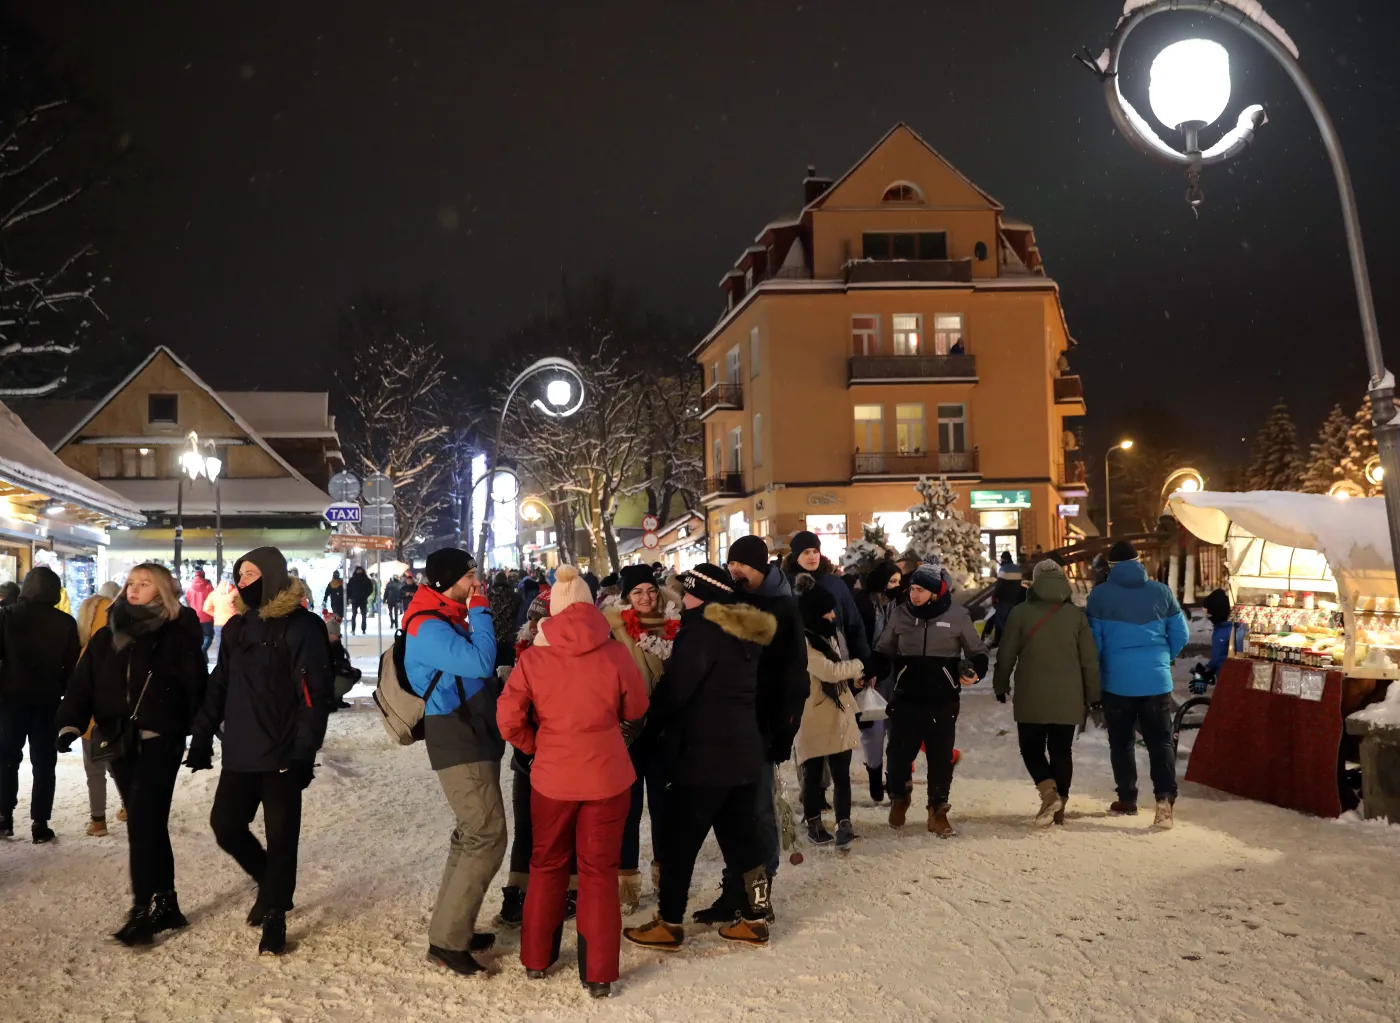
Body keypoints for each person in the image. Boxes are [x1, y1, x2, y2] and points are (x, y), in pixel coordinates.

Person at [498, 565, 649, 998]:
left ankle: (537, 959)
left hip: (552, 778)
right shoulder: (615, 651)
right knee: (599, 872)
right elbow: (636, 707)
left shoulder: (534, 658)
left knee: (546, 865)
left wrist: (535, 746)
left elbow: (508, 718)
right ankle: (599, 974)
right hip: (608, 776)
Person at [186, 546, 334, 956]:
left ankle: (274, 914)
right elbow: (220, 683)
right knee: (226, 825)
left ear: (271, 575)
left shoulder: (302, 627)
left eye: (250, 574)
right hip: (241, 748)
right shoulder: (237, 628)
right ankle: (272, 885)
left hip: (283, 751)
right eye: (239, 575)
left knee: (282, 837)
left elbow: (314, 695)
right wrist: (201, 735)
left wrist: (304, 751)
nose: (242, 582)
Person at [624, 564, 777, 951]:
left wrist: (645, 725)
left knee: (679, 841)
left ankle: (669, 922)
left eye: (688, 592)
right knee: (743, 839)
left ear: (702, 595)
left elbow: (677, 691)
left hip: (704, 756)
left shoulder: (702, 632)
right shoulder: (745, 631)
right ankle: (756, 918)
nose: (683, 599)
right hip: (743, 751)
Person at [57, 564, 207, 945]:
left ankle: (141, 909)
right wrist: (70, 722)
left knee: (141, 819)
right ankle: (167, 901)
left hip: (161, 738)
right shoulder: (108, 634)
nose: (134, 589)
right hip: (118, 738)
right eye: (131, 583)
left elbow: (196, 685)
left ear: (162, 592)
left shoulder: (176, 633)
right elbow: (83, 682)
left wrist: (201, 734)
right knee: (148, 821)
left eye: (145, 584)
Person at [688, 535, 805, 926]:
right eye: (731, 563)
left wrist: (785, 730)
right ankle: (734, 890)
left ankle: (759, 891)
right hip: (732, 724)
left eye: (742, 564)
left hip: (764, 725)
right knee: (733, 814)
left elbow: (795, 677)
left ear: (760, 567)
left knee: (757, 811)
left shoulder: (784, 608)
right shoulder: (732, 602)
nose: (734, 569)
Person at [402, 548, 504, 977]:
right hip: (457, 734)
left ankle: (453, 927)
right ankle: (448, 941)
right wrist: (481, 610)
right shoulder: (427, 625)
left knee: (470, 835)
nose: (476, 583)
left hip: (471, 730)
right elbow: (480, 661)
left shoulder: (445, 616)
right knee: (486, 835)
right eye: (469, 577)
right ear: (447, 582)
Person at [875, 558, 988, 837]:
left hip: (943, 700)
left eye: (920, 590)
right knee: (898, 756)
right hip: (906, 698)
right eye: (912, 589)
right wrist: (871, 669)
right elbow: (883, 650)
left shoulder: (957, 616)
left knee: (940, 758)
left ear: (936, 592)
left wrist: (975, 671)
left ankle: (938, 811)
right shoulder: (901, 614)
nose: (914, 595)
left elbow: (977, 652)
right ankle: (899, 797)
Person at [1086, 540, 1189, 830]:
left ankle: (1127, 798)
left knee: (1121, 742)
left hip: (1116, 682)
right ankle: (1164, 801)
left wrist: (1104, 668)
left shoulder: (1100, 595)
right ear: (1138, 562)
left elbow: (1094, 643)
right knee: (1161, 741)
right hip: (1156, 681)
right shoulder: (1161, 592)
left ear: (1111, 567)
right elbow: (1181, 634)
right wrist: (1163, 658)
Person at [992, 559, 1100, 827]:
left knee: (1031, 749)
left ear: (1035, 582)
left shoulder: (1020, 613)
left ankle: (1049, 793)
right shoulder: (1076, 615)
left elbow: (1006, 654)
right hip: (1069, 695)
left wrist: (1001, 684)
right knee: (1061, 751)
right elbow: (1089, 660)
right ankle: (1059, 805)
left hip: (1031, 694)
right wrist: (1093, 694)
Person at [603, 563, 680, 913]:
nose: (646, 597)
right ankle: (627, 884)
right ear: (627, 597)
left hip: (664, 730)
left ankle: (665, 876)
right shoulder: (614, 629)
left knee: (665, 809)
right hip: (629, 732)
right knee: (628, 810)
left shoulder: (675, 624)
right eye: (637, 592)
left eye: (650, 590)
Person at [0, 566, 80, 843]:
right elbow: (71, 666)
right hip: (48, 700)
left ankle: (3, 816)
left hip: (9, 699)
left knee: (6, 758)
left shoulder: (7, 615)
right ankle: (40, 822)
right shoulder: (65, 622)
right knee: (44, 761)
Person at [792, 574, 865, 849]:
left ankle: (844, 823)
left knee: (842, 774)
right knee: (813, 775)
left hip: (838, 712)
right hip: (814, 716)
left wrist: (852, 676)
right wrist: (858, 666)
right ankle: (813, 823)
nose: (833, 615)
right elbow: (830, 671)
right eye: (828, 611)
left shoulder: (831, 635)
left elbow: (839, 669)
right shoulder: (804, 642)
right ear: (814, 613)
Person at [75, 581, 124, 836]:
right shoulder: (121, 635)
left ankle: (98, 821)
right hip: (115, 712)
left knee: (94, 768)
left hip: (89, 714)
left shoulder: (82, 637)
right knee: (117, 762)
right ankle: (128, 807)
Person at [783, 530, 871, 667]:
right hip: (800, 661)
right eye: (806, 552)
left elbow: (853, 624)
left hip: (837, 658)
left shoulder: (835, 584)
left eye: (815, 551)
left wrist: (864, 661)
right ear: (796, 556)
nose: (812, 556)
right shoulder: (786, 586)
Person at [852, 560, 902, 802]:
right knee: (873, 730)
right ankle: (874, 775)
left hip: (897, 673)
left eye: (899, 582)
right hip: (872, 673)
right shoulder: (863, 603)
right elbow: (856, 637)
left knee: (897, 729)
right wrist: (864, 669)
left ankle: (893, 780)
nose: (896, 586)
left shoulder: (901, 603)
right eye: (892, 581)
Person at [983, 552, 1025, 648]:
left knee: (1000, 620)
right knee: (1003, 619)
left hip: (1004, 599)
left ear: (1004, 559)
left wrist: (994, 596)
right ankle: (998, 641)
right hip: (1014, 599)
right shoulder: (1017, 569)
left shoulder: (1004, 569)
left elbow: (1000, 585)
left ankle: (1010, 641)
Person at [488, 571, 521, 670]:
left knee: (495, 664)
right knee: (508, 665)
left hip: (493, 635)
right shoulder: (514, 596)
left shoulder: (489, 597)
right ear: (506, 581)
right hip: (509, 635)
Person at [325, 619, 361, 708]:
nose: (338, 637)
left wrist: (347, 668)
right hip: (327, 676)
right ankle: (332, 699)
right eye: (336, 635)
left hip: (334, 672)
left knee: (356, 673)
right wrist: (345, 668)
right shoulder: (324, 645)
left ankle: (337, 698)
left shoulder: (335, 644)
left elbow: (339, 660)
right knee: (344, 680)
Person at [203, 574, 239, 661]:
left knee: (220, 645)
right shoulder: (236, 592)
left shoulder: (214, 593)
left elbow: (206, 608)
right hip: (234, 623)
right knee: (234, 645)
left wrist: (216, 614)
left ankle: (220, 664)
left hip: (219, 623)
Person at [185, 568, 215, 655]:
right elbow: (214, 601)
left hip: (193, 616)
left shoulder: (189, 588)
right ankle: (202, 652)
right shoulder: (209, 587)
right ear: (203, 575)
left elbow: (187, 602)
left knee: (197, 638)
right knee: (208, 636)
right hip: (207, 616)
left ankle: (202, 656)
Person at [346, 565, 373, 635]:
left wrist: (349, 597)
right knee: (361, 615)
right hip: (360, 599)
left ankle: (356, 629)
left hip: (356, 599)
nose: (359, 572)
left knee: (357, 615)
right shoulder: (366, 579)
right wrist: (365, 595)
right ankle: (359, 629)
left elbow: (348, 589)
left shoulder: (352, 579)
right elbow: (370, 589)